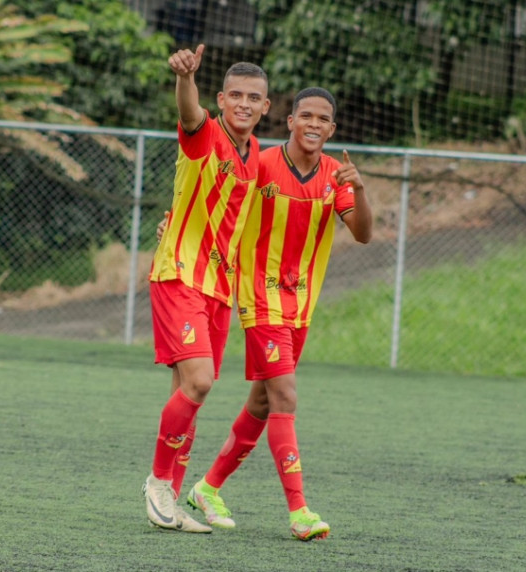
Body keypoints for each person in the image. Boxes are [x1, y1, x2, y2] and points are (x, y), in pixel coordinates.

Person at [183, 87, 372, 540]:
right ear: (289, 121)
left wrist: (359, 188)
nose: (312, 124)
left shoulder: (335, 176)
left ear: (332, 129)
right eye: (304, 115)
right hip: (258, 299)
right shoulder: (261, 164)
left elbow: (363, 234)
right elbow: (220, 202)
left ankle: (207, 489)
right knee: (285, 396)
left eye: (322, 119)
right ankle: (300, 511)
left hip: (300, 305)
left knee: (264, 403)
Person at [143, 43, 270, 534]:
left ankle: (170, 500)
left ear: (265, 106)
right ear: (220, 99)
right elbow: (189, 114)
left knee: (188, 392)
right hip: (179, 274)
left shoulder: (257, 154)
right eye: (234, 94)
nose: (242, 103)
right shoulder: (206, 133)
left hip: (218, 288)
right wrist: (184, 78)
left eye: (252, 97)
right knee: (199, 382)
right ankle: (157, 482)